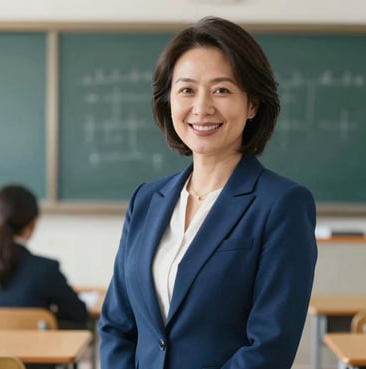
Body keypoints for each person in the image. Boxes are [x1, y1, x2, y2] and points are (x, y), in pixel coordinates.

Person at [98, 16, 317, 369]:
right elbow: (116, 327)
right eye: (186, 90)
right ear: (168, 101)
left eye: (222, 90)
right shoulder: (145, 201)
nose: (202, 107)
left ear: (252, 105)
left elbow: (269, 348)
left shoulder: (282, 205)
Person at [0, 184, 88, 326]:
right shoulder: (45, 270)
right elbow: (79, 314)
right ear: (33, 223)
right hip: (33, 348)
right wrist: (47, 320)